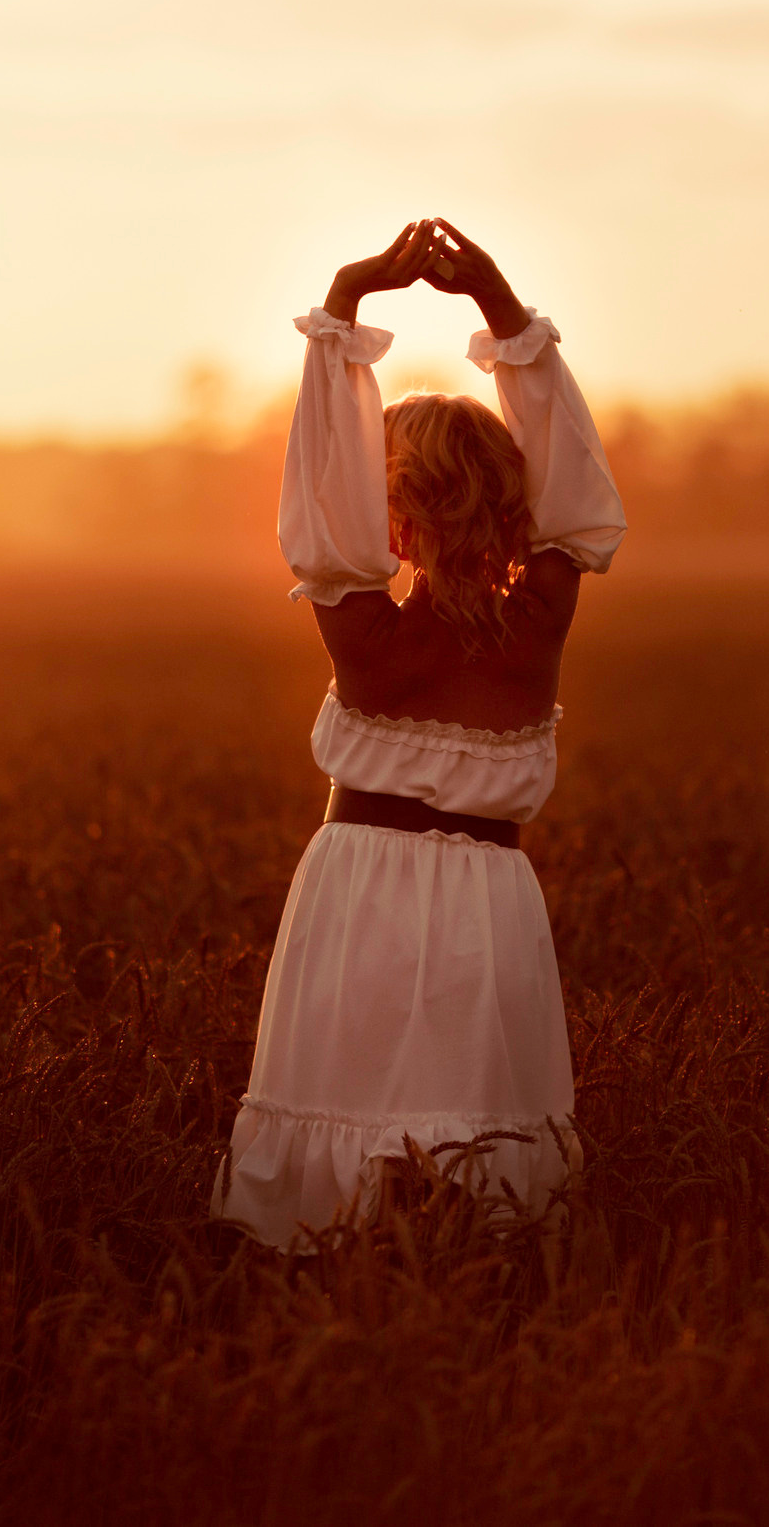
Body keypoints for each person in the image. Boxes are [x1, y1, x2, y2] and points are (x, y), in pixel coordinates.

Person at [211, 218, 627, 1251]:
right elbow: (576, 489)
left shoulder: (362, 629)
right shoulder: (544, 610)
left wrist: (344, 307)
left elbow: (321, 511)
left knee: (339, 1129)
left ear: (393, 517)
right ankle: (476, 1310)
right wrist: (500, 309)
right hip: (490, 901)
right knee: (478, 1147)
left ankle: (331, 1299)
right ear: (513, 503)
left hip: (354, 889)